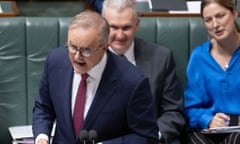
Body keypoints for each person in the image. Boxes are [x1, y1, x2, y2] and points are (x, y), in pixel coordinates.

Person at [32, 10, 159, 144]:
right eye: (72, 47)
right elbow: (43, 107)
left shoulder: (132, 82)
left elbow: (146, 137)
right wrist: (42, 138)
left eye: (85, 50)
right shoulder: (55, 61)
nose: (76, 56)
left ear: (104, 47)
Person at [102, 0, 186, 143]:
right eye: (114, 27)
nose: (120, 35)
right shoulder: (90, 58)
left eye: (126, 28)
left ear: (137, 25)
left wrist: (152, 136)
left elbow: (173, 111)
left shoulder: (161, 57)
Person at [184, 0, 240, 143]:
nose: (215, 25)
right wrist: (207, 119)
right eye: (208, 20)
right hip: (211, 127)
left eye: (220, 16)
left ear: (234, 13)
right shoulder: (199, 57)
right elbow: (191, 107)